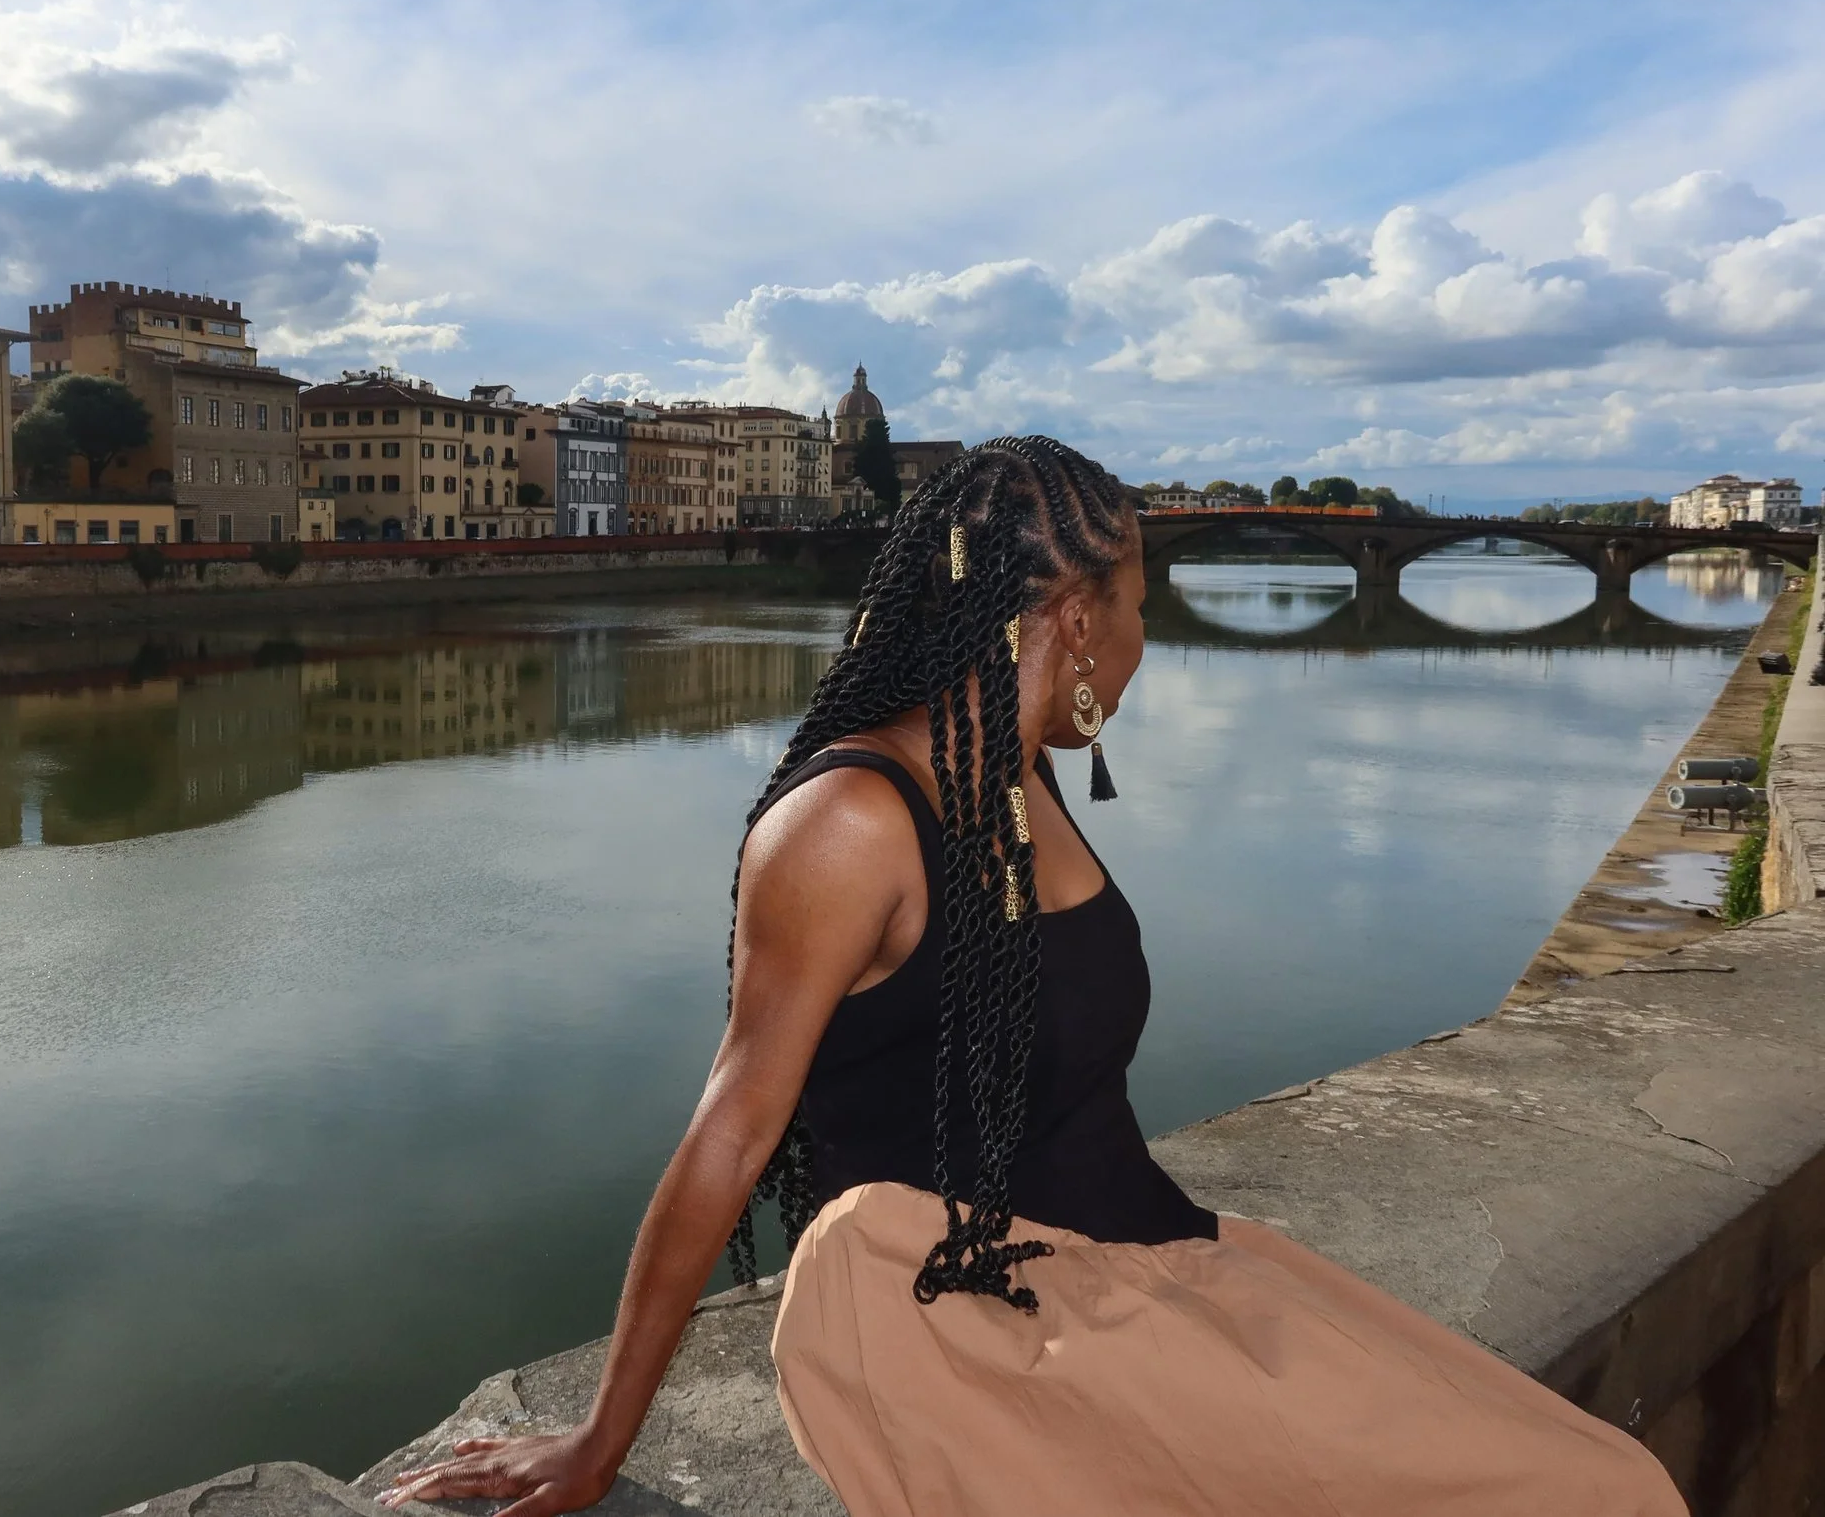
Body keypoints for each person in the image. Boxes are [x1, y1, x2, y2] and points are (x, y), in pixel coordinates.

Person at [381, 437, 1685, 1517]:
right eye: (1139, 605)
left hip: (1156, 1265)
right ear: (1073, 616)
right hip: (973, 1316)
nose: (1143, 639)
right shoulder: (848, 824)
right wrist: (602, 1440)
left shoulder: (1022, 771)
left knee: (1594, 1481)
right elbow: (731, 1131)